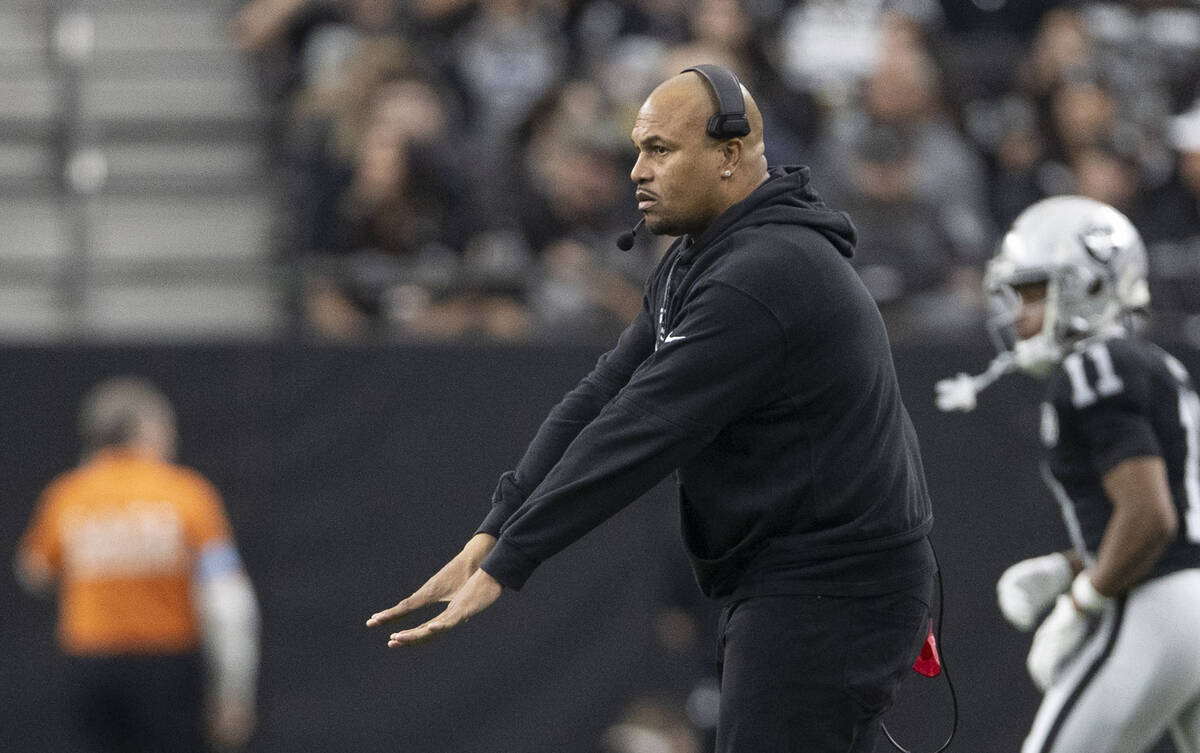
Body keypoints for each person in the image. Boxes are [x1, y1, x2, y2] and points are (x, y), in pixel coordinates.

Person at [368, 65, 937, 753]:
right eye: (638, 149)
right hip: (807, 578)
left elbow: (640, 427)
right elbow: (600, 395)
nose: (636, 170)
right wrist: (495, 526)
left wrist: (513, 558)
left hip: (833, 586)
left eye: (660, 149)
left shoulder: (766, 273)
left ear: (730, 154)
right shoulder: (698, 260)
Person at [936, 195, 1200, 753]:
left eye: (1034, 292)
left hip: (1158, 603)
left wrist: (1082, 601)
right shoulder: (1156, 363)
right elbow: (1177, 511)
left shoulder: (1094, 365)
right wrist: (1068, 566)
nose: (1020, 315)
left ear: (1091, 286)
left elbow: (1152, 517)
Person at [14, 376, 261, 753]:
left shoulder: (68, 494)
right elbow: (228, 597)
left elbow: (35, 571)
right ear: (145, 430)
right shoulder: (186, 493)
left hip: (91, 665)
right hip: (167, 666)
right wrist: (233, 688)